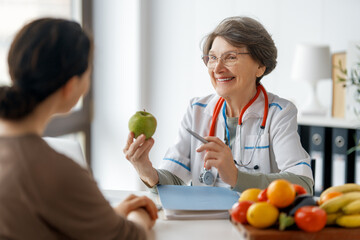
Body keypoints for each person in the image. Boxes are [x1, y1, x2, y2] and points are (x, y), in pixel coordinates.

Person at [0, 18, 157, 240]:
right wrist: (140, 214)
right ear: (71, 86)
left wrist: (105, 217)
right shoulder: (55, 171)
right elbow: (131, 237)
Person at [124, 16, 314, 194]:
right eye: (213, 58)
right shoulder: (196, 110)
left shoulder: (279, 113)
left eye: (230, 57)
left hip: (253, 223)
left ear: (260, 66)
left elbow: (303, 185)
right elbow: (173, 180)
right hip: (204, 224)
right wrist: (146, 170)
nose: (218, 68)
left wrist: (237, 177)